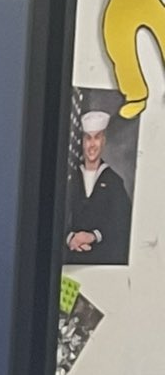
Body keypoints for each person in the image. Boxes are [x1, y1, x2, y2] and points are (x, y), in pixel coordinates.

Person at [65, 109, 132, 263]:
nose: (92, 145)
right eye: (88, 138)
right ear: (82, 142)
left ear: (104, 141)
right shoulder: (69, 179)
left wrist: (93, 236)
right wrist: (71, 239)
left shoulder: (114, 182)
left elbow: (122, 223)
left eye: (97, 137)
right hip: (70, 260)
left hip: (102, 261)